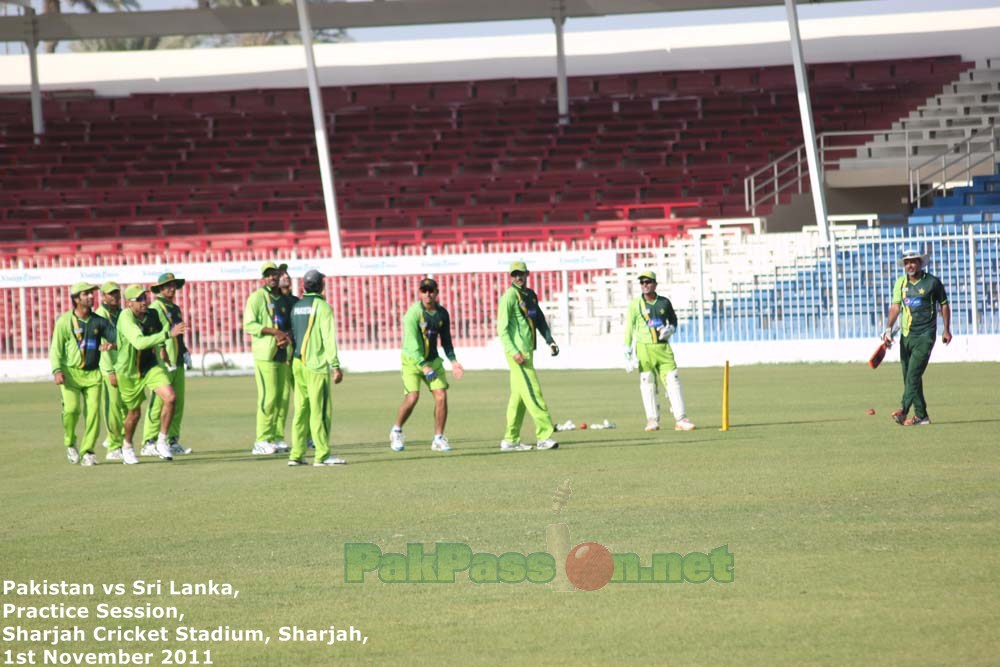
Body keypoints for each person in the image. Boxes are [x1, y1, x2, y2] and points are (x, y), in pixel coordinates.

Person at [390, 277, 464, 453]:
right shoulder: (413, 313)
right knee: (413, 397)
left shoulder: (442, 314)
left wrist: (453, 362)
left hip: (432, 360)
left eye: (431, 290)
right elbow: (412, 345)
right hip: (412, 361)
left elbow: (446, 341)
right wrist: (423, 366)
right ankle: (396, 430)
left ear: (437, 293)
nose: (428, 294)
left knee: (441, 396)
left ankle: (438, 438)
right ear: (419, 293)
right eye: (424, 290)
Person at [115, 285, 187, 462]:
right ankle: (127, 446)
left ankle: (161, 441)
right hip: (129, 371)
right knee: (134, 413)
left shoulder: (152, 314)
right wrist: (167, 335)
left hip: (150, 366)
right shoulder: (125, 317)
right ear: (129, 303)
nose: (143, 302)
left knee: (170, 397)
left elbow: (162, 331)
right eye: (138, 299)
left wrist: (166, 347)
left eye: (144, 298)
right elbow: (139, 343)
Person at [49, 282, 117, 466]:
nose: (91, 297)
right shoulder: (64, 321)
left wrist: (112, 345)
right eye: (86, 294)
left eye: (92, 294)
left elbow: (118, 338)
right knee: (71, 410)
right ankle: (70, 442)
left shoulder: (99, 321)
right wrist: (57, 370)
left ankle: (88, 451)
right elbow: (55, 349)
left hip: (93, 375)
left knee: (93, 413)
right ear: (76, 298)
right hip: (70, 374)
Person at [882, 245, 951, 426]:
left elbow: (943, 304)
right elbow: (896, 306)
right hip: (907, 336)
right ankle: (922, 416)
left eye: (913, 261)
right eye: (907, 262)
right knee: (910, 376)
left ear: (920, 263)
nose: (910, 265)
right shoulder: (901, 283)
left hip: (925, 335)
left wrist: (946, 329)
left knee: (913, 374)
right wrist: (888, 328)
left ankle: (903, 410)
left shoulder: (932, 283)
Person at [496, 260, 559, 452]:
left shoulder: (530, 295)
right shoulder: (509, 297)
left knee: (519, 398)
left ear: (527, 274)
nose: (518, 277)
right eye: (514, 274)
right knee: (533, 392)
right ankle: (544, 435)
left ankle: (510, 440)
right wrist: (514, 352)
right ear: (510, 276)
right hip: (518, 354)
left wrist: (550, 340)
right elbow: (502, 329)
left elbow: (539, 319)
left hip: (527, 352)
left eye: (521, 274)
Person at [623, 271, 696, 432]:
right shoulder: (635, 304)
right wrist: (626, 350)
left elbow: (674, 320)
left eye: (648, 282)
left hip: (663, 348)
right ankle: (652, 420)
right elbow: (629, 327)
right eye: (642, 282)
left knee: (673, 379)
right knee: (647, 382)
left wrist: (671, 329)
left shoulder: (664, 302)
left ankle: (681, 419)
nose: (644, 285)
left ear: (655, 284)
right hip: (644, 349)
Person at [288, 269, 346, 467]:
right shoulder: (322, 307)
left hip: (298, 363)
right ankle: (322, 454)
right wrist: (335, 365)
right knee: (320, 411)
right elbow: (328, 338)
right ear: (321, 284)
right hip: (315, 365)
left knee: (301, 411)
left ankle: (296, 455)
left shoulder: (296, 306)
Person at [243, 261, 293, 455]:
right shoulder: (256, 297)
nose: (272, 277)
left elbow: (288, 325)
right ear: (263, 278)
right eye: (269, 274)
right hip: (265, 354)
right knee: (268, 397)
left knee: (283, 397)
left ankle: (276, 437)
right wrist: (274, 332)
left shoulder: (282, 299)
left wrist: (285, 336)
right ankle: (261, 439)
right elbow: (249, 325)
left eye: (275, 274)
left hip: (282, 353)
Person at [143, 272, 192, 455]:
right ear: (160, 289)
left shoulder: (175, 308)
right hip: (163, 361)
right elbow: (153, 332)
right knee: (158, 402)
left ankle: (172, 440)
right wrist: (161, 350)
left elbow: (179, 332)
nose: (171, 289)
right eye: (167, 286)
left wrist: (185, 350)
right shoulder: (156, 307)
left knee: (177, 402)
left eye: (173, 285)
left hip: (177, 359)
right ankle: (149, 441)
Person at [94, 281, 128, 462]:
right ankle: (114, 446)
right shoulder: (100, 315)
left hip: (125, 367)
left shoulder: (122, 314)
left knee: (126, 408)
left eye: (116, 293)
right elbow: (102, 347)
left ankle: (117, 440)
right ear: (103, 296)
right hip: (111, 369)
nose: (115, 296)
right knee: (113, 408)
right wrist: (109, 371)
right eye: (111, 294)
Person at [272, 269, 298, 451]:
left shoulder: (296, 301)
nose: (285, 277)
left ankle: (308, 435)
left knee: (303, 397)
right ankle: (277, 435)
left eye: (286, 274)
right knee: (282, 397)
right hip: (282, 351)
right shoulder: (275, 302)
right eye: (281, 275)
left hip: (298, 353)